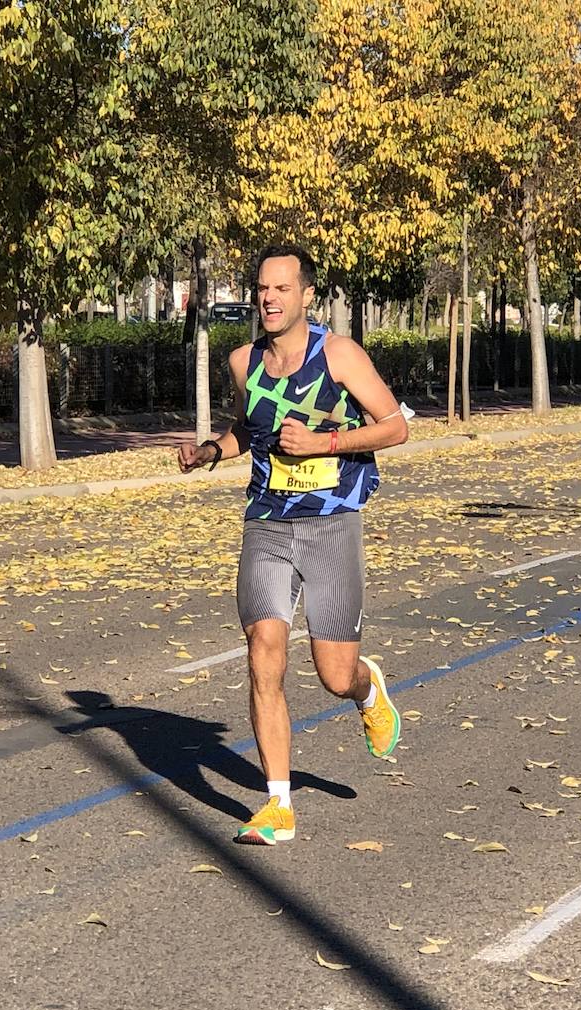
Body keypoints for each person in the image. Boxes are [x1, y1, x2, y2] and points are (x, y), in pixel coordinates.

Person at [177, 243, 408, 845]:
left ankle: (366, 688)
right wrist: (209, 452)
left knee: (333, 673)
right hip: (268, 522)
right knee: (264, 648)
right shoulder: (241, 361)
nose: (269, 298)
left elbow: (396, 425)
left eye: (281, 288)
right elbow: (246, 430)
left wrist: (325, 446)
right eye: (261, 289)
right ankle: (277, 804)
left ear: (307, 295)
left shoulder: (337, 355)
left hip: (332, 524)